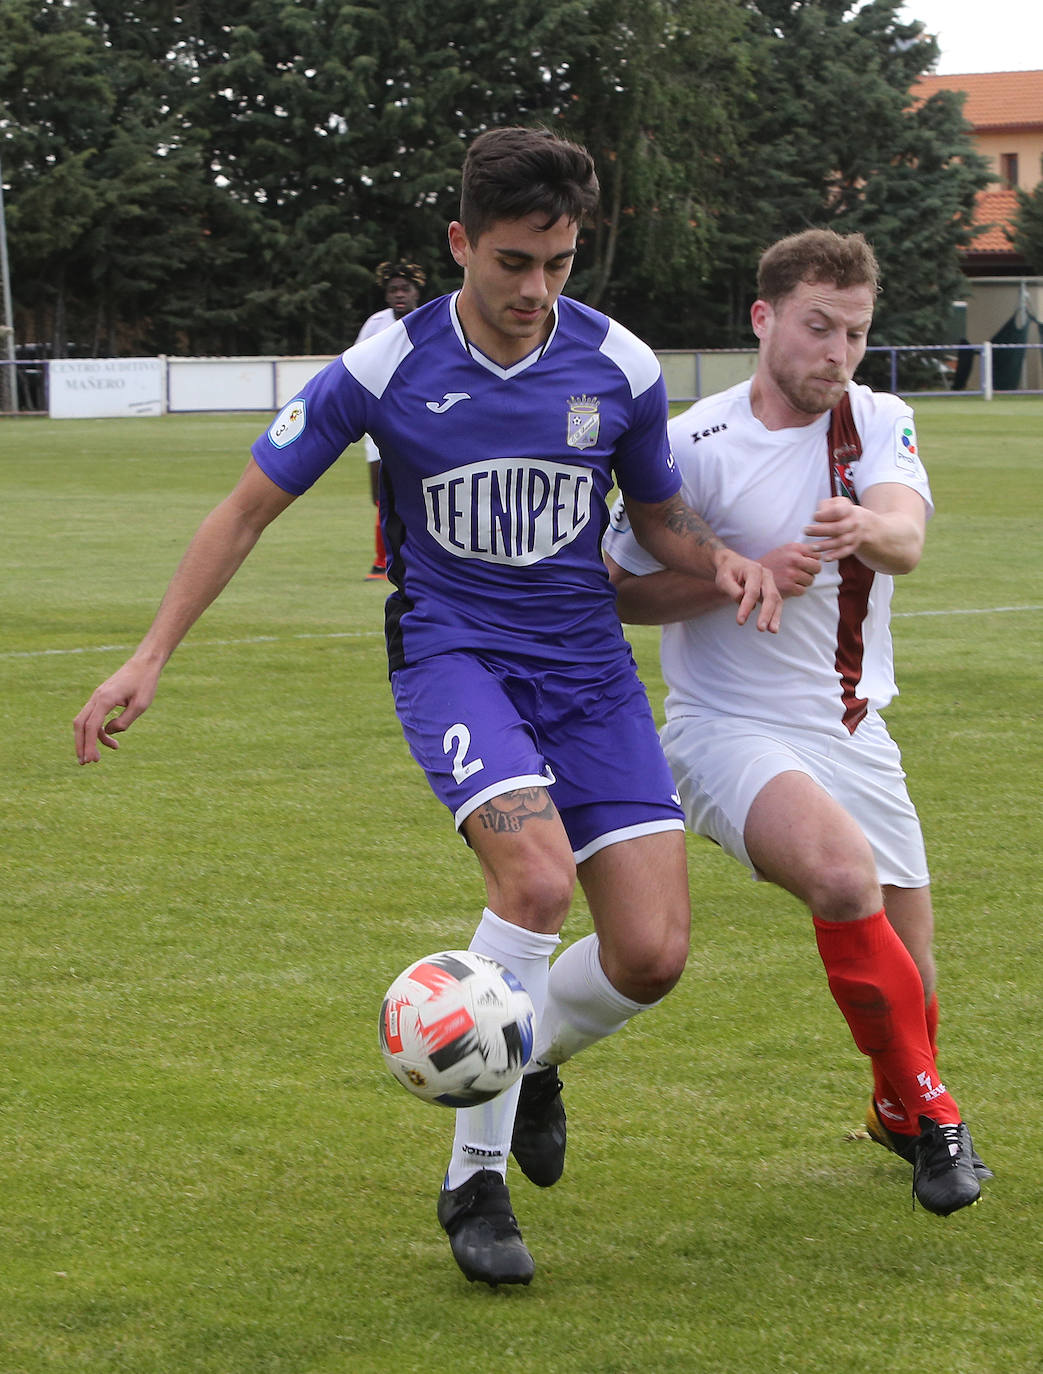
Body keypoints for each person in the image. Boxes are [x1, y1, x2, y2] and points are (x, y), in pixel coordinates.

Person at [73, 124, 781, 1289]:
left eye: (557, 262)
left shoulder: (622, 368)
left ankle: (527, 1050)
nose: (535, 289)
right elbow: (244, 509)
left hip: (589, 669)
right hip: (456, 657)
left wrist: (720, 561)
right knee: (537, 882)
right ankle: (474, 1183)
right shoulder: (386, 368)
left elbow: (655, 518)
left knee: (651, 954)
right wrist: (149, 657)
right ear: (460, 243)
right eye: (511, 261)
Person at [603, 227, 990, 1219]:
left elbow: (903, 533)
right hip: (724, 723)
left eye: (855, 334)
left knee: (912, 971)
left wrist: (864, 526)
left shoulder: (876, 419)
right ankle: (935, 1115)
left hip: (852, 726)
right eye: (819, 328)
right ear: (763, 318)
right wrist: (734, 578)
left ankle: (894, 1108)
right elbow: (613, 594)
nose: (837, 354)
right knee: (836, 874)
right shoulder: (692, 445)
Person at [354, 260, 426, 579]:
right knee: (380, 495)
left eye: (405, 289)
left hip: (417, 421)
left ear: (416, 292)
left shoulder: (430, 320)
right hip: (379, 420)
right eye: (393, 289)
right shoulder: (376, 324)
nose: (399, 295)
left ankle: (387, 562)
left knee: (413, 491)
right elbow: (356, 365)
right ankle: (385, 557)